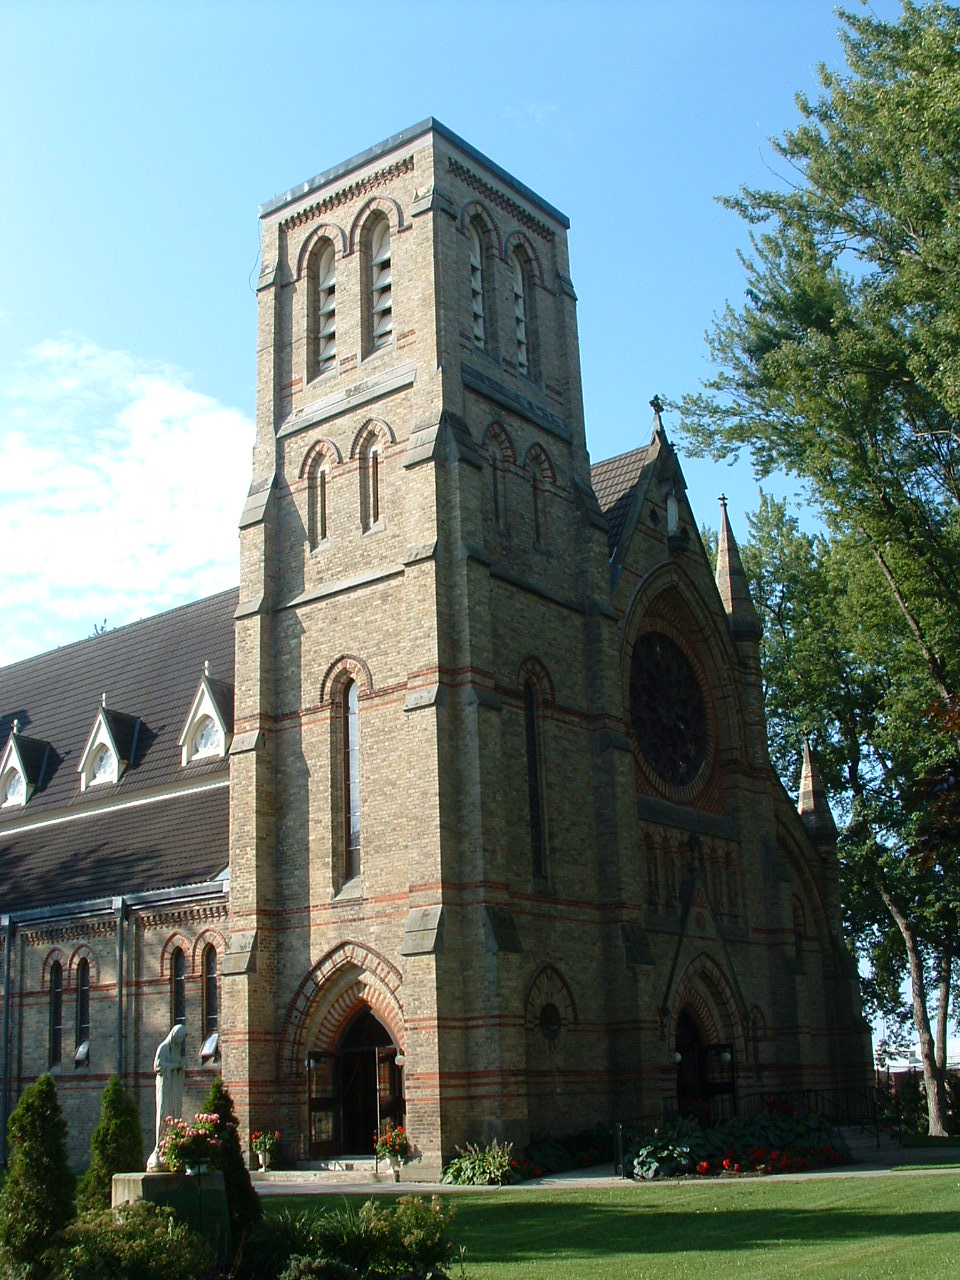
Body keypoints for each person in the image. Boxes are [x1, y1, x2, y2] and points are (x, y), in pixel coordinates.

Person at [146, 1024, 187, 1170]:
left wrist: (181, 1066)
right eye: (180, 1038)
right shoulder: (163, 1048)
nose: (180, 1042)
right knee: (163, 1115)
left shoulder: (176, 1050)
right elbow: (158, 1066)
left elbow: (178, 1066)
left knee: (175, 1114)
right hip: (165, 1087)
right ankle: (160, 1147)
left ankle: (173, 1147)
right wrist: (173, 1066)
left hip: (175, 1087)